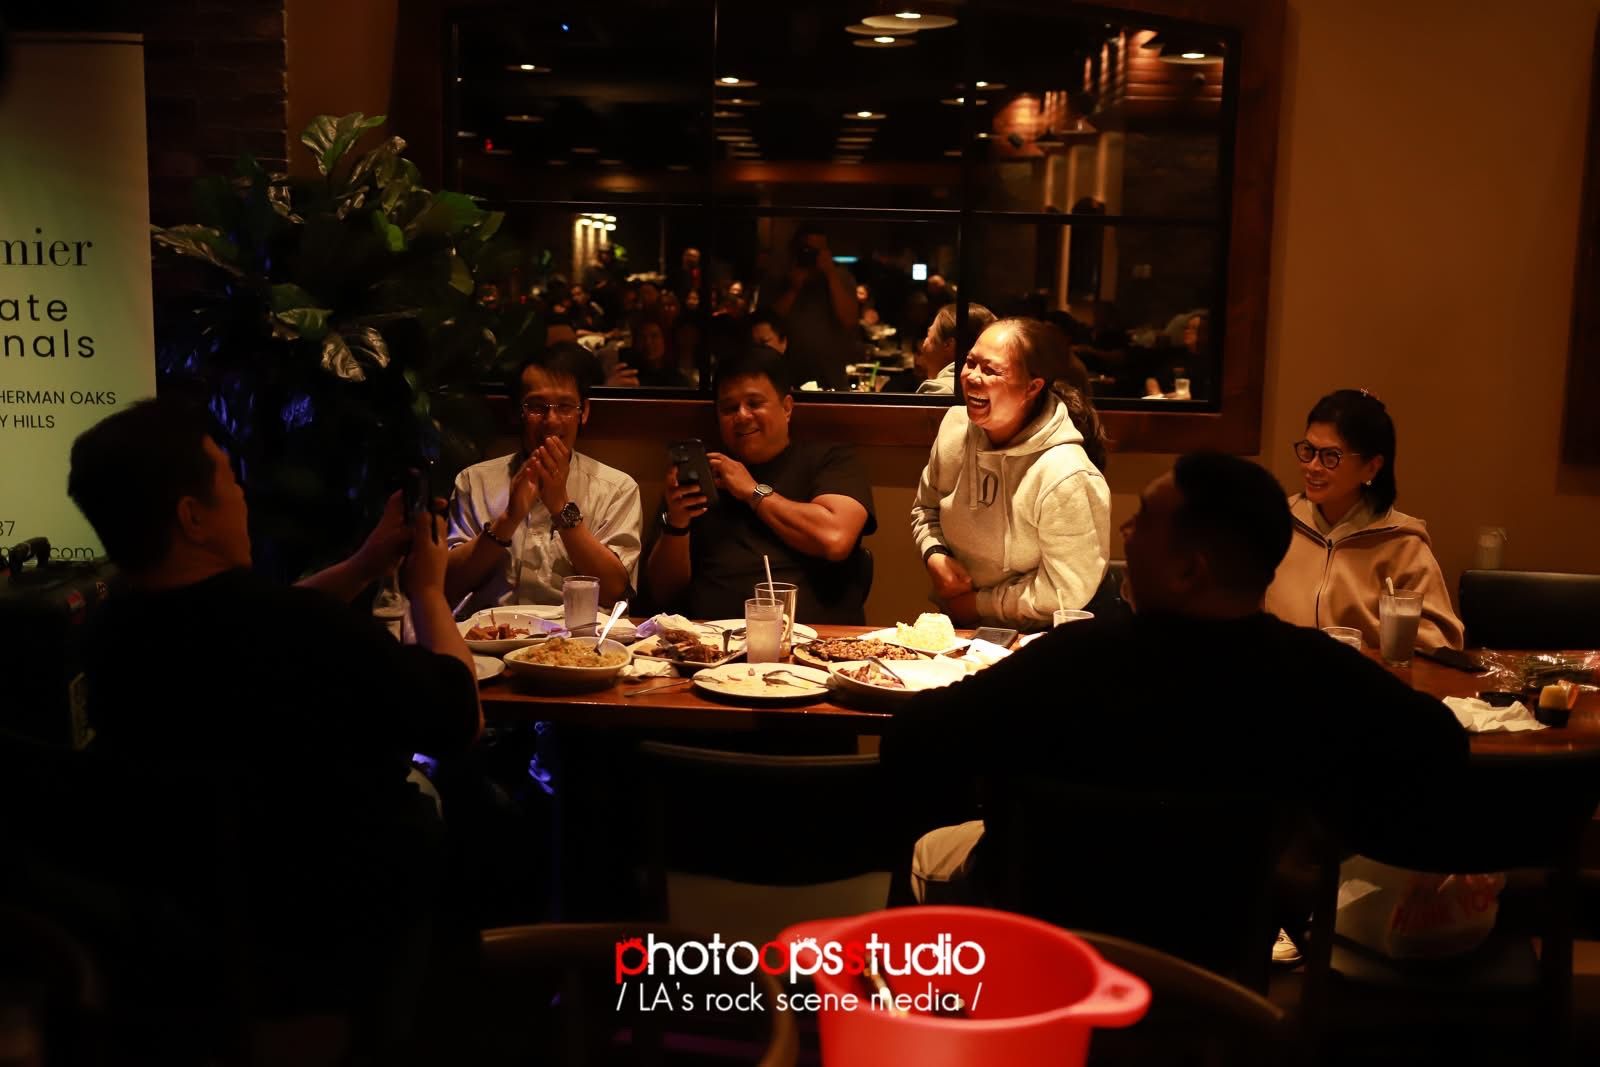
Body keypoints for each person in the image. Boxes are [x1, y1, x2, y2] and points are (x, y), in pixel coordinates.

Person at [891, 453, 1468, 957]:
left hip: (1050, 951)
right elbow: (1439, 745)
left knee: (927, 849)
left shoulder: (1071, 660)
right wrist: (1314, 838)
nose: (1125, 530)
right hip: (1222, 962)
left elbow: (912, 740)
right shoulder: (1315, 672)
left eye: (1142, 520)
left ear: (1190, 569)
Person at [67, 398, 481, 1043]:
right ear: (192, 517)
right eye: (231, 482)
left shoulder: (109, 630)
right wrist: (428, 593)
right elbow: (459, 718)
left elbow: (245, 621)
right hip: (326, 948)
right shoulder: (305, 635)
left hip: (172, 949)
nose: (244, 497)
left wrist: (367, 562)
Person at [645, 345, 876, 623]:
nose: (742, 416)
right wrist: (677, 524)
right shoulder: (702, 475)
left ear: (786, 407)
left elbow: (834, 538)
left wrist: (752, 491)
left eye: (754, 403)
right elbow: (662, 593)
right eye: (729, 408)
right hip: (710, 638)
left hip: (814, 638)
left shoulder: (831, 459)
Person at [911, 318, 1112, 630]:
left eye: (990, 370)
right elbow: (926, 509)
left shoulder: (1066, 473)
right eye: (970, 363)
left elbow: (1067, 589)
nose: (972, 377)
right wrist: (934, 553)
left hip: (1037, 637)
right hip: (957, 627)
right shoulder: (955, 428)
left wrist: (979, 604)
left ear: (1032, 387)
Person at [446, 343, 642, 613]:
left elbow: (616, 593)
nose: (551, 420)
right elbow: (448, 585)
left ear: (583, 412)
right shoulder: (473, 481)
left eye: (565, 407)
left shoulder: (617, 488)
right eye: (537, 407)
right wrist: (509, 518)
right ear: (517, 412)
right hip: (486, 633)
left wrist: (561, 508)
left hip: (579, 636)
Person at [1264, 389, 1464, 650]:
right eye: (1308, 450)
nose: (1312, 466)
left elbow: (1440, 645)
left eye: (1330, 456)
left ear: (1371, 467)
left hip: (1362, 673)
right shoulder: (1277, 522)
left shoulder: (1401, 544)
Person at [768, 227, 857, 390]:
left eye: (818, 251)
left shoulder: (840, 277)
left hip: (830, 373)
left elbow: (849, 320)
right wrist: (793, 288)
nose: (812, 256)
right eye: (807, 250)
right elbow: (769, 323)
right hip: (787, 370)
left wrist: (831, 275)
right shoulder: (780, 277)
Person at [914, 301, 997, 395]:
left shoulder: (939, 389)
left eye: (928, 335)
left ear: (949, 345)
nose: (922, 346)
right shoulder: (995, 385)